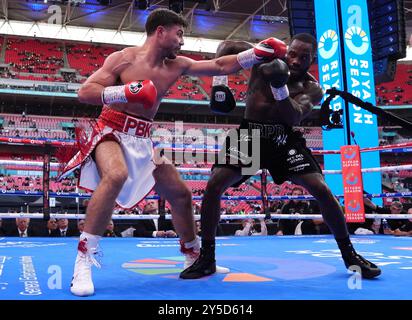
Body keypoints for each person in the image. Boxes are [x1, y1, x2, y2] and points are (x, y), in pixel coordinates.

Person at [60, 8, 287, 296]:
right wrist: (124, 92)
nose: (182, 39)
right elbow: (84, 91)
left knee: (180, 193)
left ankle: (193, 255)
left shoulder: (177, 64)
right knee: (116, 175)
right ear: (160, 32)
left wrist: (256, 53)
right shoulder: (124, 58)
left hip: (144, 138)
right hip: (111, 130)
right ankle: (83, 260)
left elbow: (218, 66)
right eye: (179, 33)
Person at [180, 33, 381, 280]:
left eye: (303, 57)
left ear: (312, 59)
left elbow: (294, 116)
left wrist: (278, 86)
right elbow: (225, 46)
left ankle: (350, 255)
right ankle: (207, 259)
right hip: (251, 135)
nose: (295, 60)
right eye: (292, 54)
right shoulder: (262, 57)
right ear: (286, 50)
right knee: (214, 184)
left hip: (282, 137)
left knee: (321, 189)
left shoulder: (312, 87)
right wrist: (220, 84)